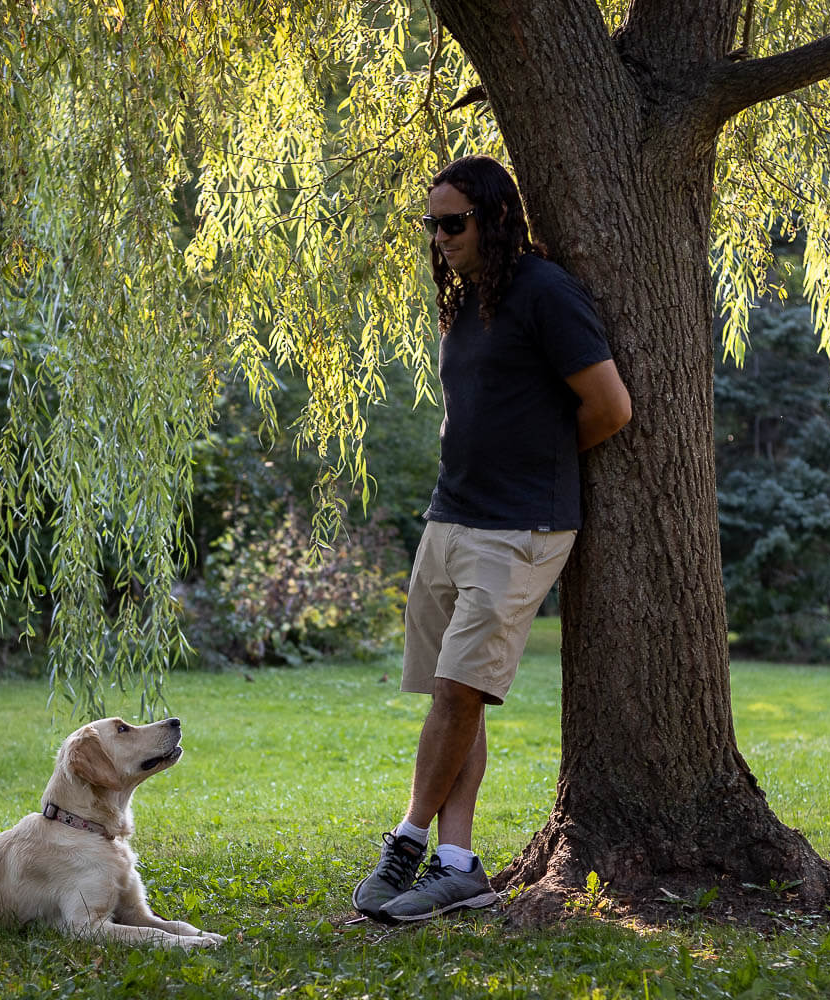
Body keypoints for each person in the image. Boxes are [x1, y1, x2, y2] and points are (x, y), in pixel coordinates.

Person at [352, 155, 631, 923]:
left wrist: (536, 463)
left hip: (521, 528)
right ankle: (457, 862)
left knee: (457, 689)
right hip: (452, 519)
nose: (440, 238)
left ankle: (407, 843)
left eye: (454, 223)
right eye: (431, 225)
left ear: (497, 219)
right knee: (455, 693)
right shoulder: (468, 300)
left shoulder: (547, 293)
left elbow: (610, 407)